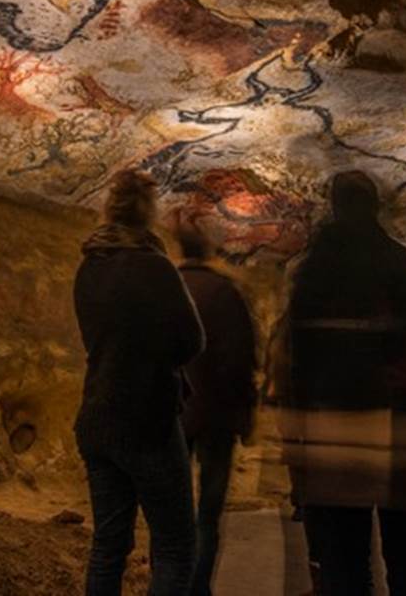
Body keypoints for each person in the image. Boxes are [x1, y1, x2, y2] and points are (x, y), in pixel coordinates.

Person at [282, 170, 406, 595]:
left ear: (334, 207)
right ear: (376, 207)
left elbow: (298, 362)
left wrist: (297, 440)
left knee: (343, 564)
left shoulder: (313, 272)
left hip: (339, 423)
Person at [73, 170, 205, 596]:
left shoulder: (88, 269)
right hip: (147, 419)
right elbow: (192, 340)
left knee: (108, 546)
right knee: (175, 546)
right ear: (148, 212)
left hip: (97, 415)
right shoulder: (155, 267)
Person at [176, 223, 259, 596]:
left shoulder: (169, 288)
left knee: (172, 515)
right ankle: (198, 588)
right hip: (217, 416)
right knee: (208, 515)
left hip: (174, 414)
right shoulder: (226, 293)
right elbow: (239, 360)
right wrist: (245, 414)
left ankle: (171, 585)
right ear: (209, 249)